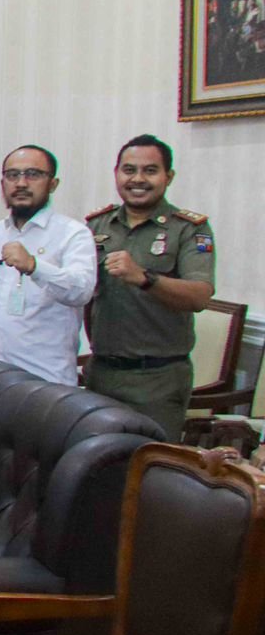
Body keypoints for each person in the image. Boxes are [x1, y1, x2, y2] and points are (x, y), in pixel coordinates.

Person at [83, 134, 216, 438]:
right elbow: (85, 295)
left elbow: (200, 296)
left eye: (150, 171)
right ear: (117, 174)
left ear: (169, 176)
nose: (138, 179)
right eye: (129, 170)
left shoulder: (189, 229)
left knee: (150, 463)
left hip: (158, 379)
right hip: (101, 373)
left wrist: (145, 278)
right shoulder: (96, 226)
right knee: (95, 462)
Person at [0, 145, 96, 385]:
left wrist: (35, 267)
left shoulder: (73, 233)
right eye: (12, 175)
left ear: (53, 183)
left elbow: (81, 291)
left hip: (45, 380)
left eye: (33, 174)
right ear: (3, 183)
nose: (21, 183)